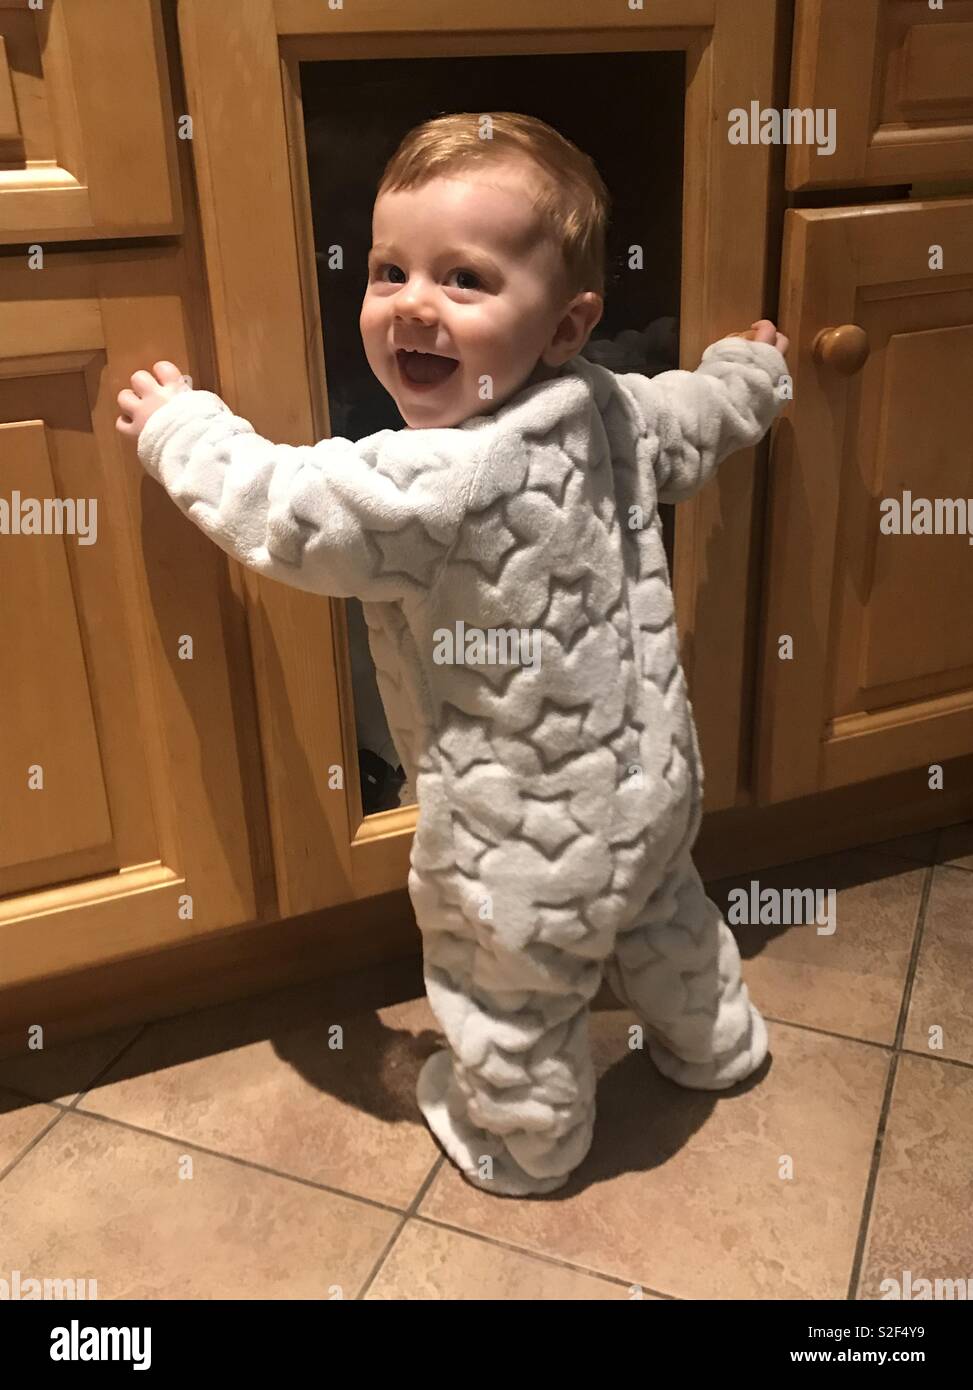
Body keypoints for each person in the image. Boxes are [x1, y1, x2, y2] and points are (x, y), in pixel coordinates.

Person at [117, 112, 790, 1197]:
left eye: (465, 280)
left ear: (566, 325)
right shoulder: (610, 408)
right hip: (653, 785)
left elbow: (283, 508)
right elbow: (700, 413)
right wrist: (753, 368)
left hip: (515, 850)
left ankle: (527, 1146)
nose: (412, 305)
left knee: (513, 996)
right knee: (667, 914)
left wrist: (177, 426)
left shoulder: (431, 480)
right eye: (389, 270)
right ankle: (718, 1045)